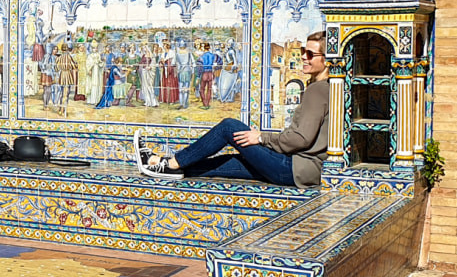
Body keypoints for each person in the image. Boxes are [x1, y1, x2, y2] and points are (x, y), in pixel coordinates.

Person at [134, 31, 331, 187]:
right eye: (303, 51)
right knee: (229, 163)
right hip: (301, 171)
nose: (303, 57)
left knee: (229, 127)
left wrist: (262, 138)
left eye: (310, 54)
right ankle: (166, 166)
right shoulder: (328, 87)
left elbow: (300, 139)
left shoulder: (318, 90)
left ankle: (170, 163)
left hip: (293, 168)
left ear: (327, 59)